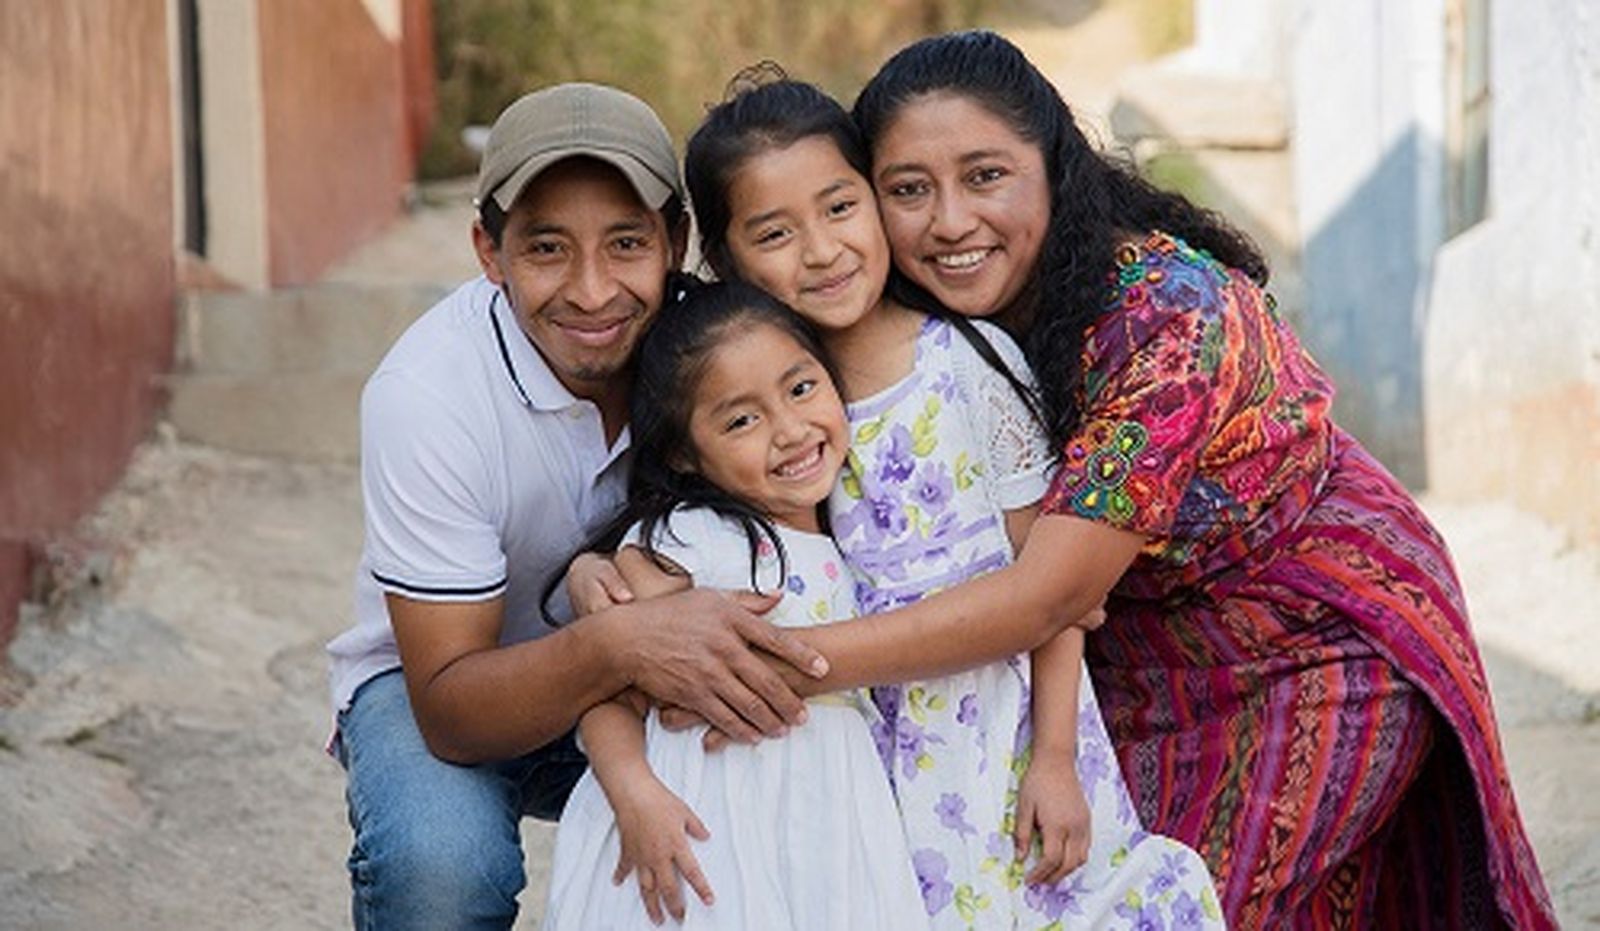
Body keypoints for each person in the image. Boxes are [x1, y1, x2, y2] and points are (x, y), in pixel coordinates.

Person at [839, 29, 1559, 930]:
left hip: (1316, 643)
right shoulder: (915, 331)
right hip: (1143, 665)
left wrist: (799, 663)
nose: (948, 221)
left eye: (986, 176)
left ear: (1055, 170)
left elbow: (1045, 595)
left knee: (1170, 905)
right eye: (908, 190)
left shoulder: (1168, 318)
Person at [581, 74, 1223, 929]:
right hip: (871, 764)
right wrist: (606, 569)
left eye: (840, 207)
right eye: (775, 232)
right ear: (728, 260)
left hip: (1002, 738)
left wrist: (1058, 758)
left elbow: (1056, 591)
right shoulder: (778, 413)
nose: (820, 250)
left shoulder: (968, 363)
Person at [323, 82, 829, 930]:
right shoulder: (427, 395)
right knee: (441, 866)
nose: (592, 292)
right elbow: (451, 710)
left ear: (675, 240)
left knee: (780, 806)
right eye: (548, 249)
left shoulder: (711, 351)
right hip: (448, 684)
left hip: (643, 671)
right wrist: (622, 638)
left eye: (626, 243)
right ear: (489, 250)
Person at [542, 280, 930, 930]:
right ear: (682, 453)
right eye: (741, 420)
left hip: (830, 822)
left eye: (802, 388)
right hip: (704, 823)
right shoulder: (697, 538)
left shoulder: (862, 521)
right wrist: (635, 794)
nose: (789, 430)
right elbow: (609, 690)